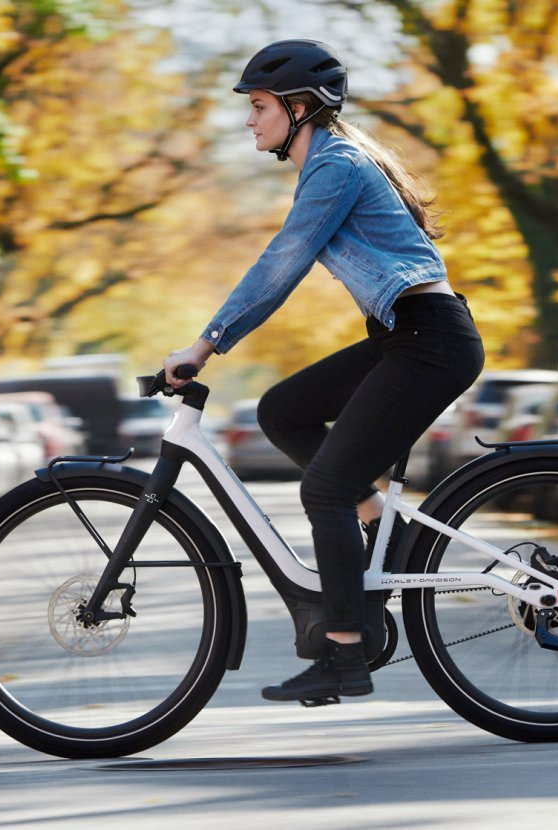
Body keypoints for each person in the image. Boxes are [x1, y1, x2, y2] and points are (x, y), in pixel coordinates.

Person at [162, 39, 485, 703]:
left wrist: (205, 345)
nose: (249, 119)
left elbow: (283, 262)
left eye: (258, 106)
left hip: (429, 341)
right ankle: (381, 524)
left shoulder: (335, 165)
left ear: (298, 107)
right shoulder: (332, 163)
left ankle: (344, 651)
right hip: (407, 336)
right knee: (282, 411)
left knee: (324, 491)